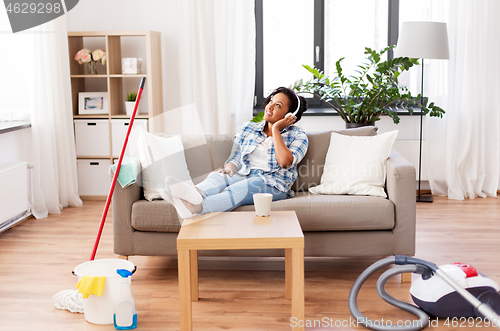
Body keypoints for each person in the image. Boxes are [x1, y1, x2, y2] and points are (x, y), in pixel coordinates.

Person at [160, 86, 308, 219]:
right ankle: (193, 194)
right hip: (244, 174)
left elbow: (285, 162)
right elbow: (235, 158)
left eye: (278, 105)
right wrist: (229, 168)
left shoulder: (298, 136)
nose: (270, 107)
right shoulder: (247, 128)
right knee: (217, 177)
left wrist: (276, 129)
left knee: (237, 189)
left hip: (274, 183)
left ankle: (194, 207)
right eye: (271, 101)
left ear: (289, 115)